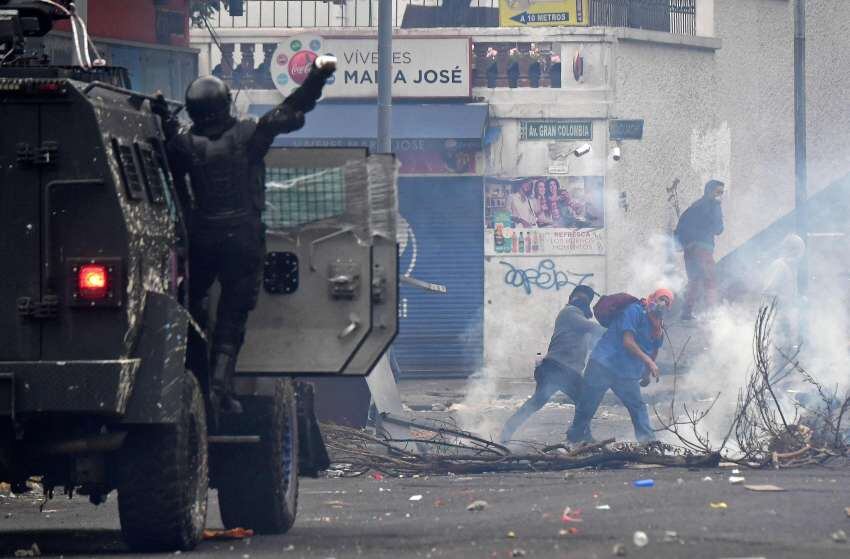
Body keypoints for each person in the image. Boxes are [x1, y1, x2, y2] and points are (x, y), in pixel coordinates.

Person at [151, 58, 337, 414]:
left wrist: (163, 116)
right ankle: (218, 390)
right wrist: (319, 75)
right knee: (233, 317)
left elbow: (170, 151)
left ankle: (185, 379)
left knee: (189, 308)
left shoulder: (185, 146)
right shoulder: (249, 135)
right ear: (225, 104)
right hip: (243, 239)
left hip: (203, 238)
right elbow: (292, 108)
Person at [566, 288, 674, 444]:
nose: (662, 304)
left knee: (637, 406)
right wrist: (649, 363)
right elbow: (628, 341)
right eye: (660, 299)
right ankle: (572, 440)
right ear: (653, 298)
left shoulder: (658, 327)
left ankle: (648, 443)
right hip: (603, 364)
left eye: (666, 301)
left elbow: (653, 350)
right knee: (588, 405)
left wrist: (645, 373)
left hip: (625, 373)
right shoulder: (635, 311)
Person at [499, 286, 604, 443]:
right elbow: (594, 328)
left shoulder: (580, 321)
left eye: (585, 298)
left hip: (559, 370)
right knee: (585, 400)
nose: (581, 300)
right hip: (559, 368)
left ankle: (508, 429)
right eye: (579, 297)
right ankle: (579, 435)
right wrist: (616, 331)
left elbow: (592, 343)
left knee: (538, 401)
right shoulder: (569, 312)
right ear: (571, 298)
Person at [675, 179, 725, 319]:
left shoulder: (694, 207)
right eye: (718, 192)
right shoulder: (714, 206)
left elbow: (681, 227)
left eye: (722, 192)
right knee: (711, 279)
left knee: (694, 279)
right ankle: (712, 313)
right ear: (709, 191)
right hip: (703, 248)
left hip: (689, 249)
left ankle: (686, 312)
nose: (720, 195)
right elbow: (718, 229)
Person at [763, 234, 806, 350]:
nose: (801, 255)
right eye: (799, 250)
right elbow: (767, 292)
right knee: (778, 353)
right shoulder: (779, 265)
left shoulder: (792, 268)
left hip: (787, 319)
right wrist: (786, 300)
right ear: (792, 250)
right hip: (777, 321)